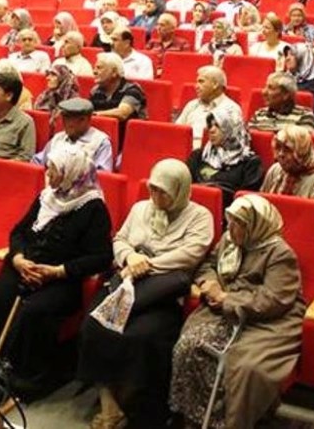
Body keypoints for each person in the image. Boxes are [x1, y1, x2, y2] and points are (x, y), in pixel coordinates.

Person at [0, 146, 112, 400]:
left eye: (54, 170)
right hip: (26, 265)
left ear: (71, 173)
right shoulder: (47, 196)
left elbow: (101, 257)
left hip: (61, 278)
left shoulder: (93, 208)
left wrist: (57, 271)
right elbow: (19, 232)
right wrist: (20, 258)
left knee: (33, 311)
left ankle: (24, 375)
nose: (49, 174)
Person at [78, 159, 214, 427]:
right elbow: (120, 240)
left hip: (162, 293)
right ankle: (109, 402)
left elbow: (189, 255)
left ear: (180, 191)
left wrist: (145, 265)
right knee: (95, 325)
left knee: (139, 337)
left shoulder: (200, 216)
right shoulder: (141, 208)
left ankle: (135, 405)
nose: (155, 196)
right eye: (153, 188)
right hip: (127, 282)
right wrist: (130, 258)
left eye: (163, 191)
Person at [170, 194, 304, 429]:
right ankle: (194, 418)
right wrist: (209, 284)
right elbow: (208, 266)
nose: (230, 228)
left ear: (254, 226)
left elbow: (273, 299)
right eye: (229, 221)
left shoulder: (280, 254)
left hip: (265, 320)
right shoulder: (229, 241)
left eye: (237, 224)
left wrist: (227, 299)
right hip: (222, 309)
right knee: (188, 346)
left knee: (245, 368)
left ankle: (231, 423)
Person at [261, 126, 314, 263]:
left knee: (282, 260)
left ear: (301, 152)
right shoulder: (275, 170)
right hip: (277, 235)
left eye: (287, 150)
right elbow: (261, 205)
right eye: (278, 148)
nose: (280, 154)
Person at [187, 110, 263, 206]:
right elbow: (184, 187)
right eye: (210, 125)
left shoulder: (251, 163)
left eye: (218, 125)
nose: (211, 130)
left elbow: (246, 203)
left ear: (232, 128)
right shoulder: (198, 156)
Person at [32, 98, 113, 172]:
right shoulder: (58, 138)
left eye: (68, 118)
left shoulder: (100, 142)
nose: (64, 123)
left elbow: (102, 177)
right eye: (63, 118)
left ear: (84, 120)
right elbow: (37, 162)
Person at [176, 65, 242, 150]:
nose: (196, 86)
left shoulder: (231, 109)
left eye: (201, 82)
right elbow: (176, 132)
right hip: (183, 151)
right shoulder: (191, 105)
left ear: (215, 84)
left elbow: (231, 144)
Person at [90, 52, 147, 141]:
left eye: (99, 68)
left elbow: (122, 113)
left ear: (114, 72)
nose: (94, 71)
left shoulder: (133, 89)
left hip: (131, 140)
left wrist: (95, 114)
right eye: (94, 68)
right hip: (102, 139)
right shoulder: (95, 91)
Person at [247, 72, 314, 133]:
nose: (264, 92)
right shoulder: (259, 114)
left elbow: (302, 144)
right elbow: (249, 140)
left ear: (285, 94)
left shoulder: (304, 116)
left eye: (271, 88)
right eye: (265, 87)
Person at [283, 43, 314, 120]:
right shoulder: (283, 78)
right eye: (286, 55)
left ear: (303, 57)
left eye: (292, 55)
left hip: (305, 122)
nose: (287, 58)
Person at [145, 13, 191, 78]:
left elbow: (184, 66)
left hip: (172, 76)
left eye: (162, 25)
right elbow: (145, 61)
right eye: (157, 24)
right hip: (152, 75)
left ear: (172, 28)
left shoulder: (183, 44)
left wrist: (163, 71)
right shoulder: (152, 42)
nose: (158, 28)